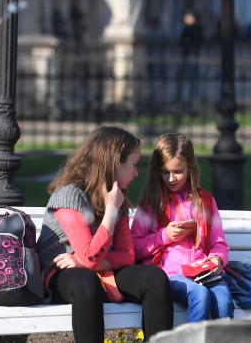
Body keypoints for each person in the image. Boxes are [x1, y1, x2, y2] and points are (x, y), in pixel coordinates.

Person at [36, 126, 173, 342]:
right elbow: (91, 257)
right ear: (115, 163)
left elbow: (126, 255)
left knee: (154, 278)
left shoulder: (117, 198)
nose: (137, 173)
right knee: (86, 283)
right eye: (134, 165)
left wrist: (79, 260)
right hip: (59, 274)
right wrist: (109, 213)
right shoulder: (69, 196)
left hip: (95, 268)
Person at [132, 133, 234, 322]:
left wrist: (218, 259)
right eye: (164, 172)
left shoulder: (204, 200)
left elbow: (219, 242)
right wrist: (165, 236)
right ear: (157, 171)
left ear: (190, 168)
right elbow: (135, 248)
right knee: (200, 296)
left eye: (178, 171)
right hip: (170, 274)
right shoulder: (151, 203)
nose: (171, 178)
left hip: (204, 271)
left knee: (223, 302)